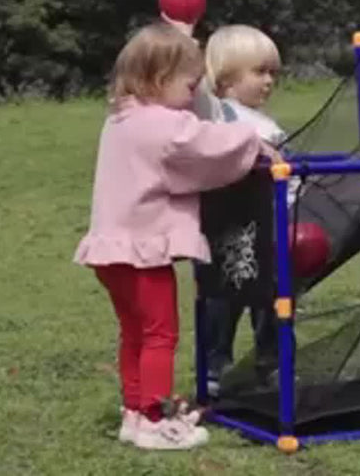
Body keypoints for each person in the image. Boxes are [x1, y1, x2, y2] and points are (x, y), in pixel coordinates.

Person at [73, 22, 281, 451]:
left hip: (109, 250)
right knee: (160, 334)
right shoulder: (163, 126)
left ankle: (135, 412)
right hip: (143, 252)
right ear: (159, 79)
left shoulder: (121, 120)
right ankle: (157, 419)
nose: (192, 97)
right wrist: (254, 142)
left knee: (134, 333)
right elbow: (206, 146)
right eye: (188, 87)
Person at [193, 25, 293, 399]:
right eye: (259, 72)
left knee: (272, 299)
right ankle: (214, 366)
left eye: (272, 73)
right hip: (227, 227)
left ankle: (273, 364)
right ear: (226, 79)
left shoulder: (268, 124)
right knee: (223, 298)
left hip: (269, 227)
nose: (269, 81)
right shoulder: (218, 115)